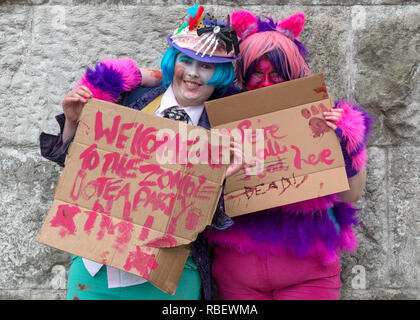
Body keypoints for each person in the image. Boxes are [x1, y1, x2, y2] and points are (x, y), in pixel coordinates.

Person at [39, 5, 242, 300]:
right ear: (174, 62)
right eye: (186, 60)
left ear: (220, 74)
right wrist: (72, 121)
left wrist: (220, 180)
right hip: (96, 266)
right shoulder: (132, 99)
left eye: (207, 66)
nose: (194, 74)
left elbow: (217, 217)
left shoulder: (225, 126)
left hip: (170, 272)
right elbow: (75, 167)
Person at [204, 10, 374, 300]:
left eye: (277, 73)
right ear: (243, 73)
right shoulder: (219, 118)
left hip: (308, 273)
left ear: (294, 72)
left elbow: (351, 195)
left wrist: (348, 143)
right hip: (237, 274)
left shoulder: (324, 118)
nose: (267, 81)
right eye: (258, 72)